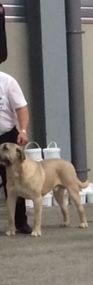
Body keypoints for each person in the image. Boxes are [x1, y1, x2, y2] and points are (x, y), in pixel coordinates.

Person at [0, 70, 32, 234]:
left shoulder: (7, 82)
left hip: (6, 137)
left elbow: (21, 108)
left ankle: (20, 222)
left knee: (14, 181)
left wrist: (23, 131)